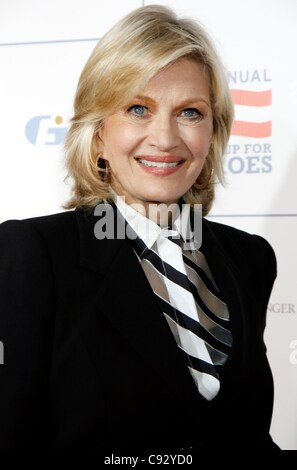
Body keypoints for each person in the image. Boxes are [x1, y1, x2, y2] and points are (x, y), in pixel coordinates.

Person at [0, 4, 280, 451]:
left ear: (214, 131)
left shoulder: (250, 258)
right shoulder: (33, 255)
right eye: (137, 108)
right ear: (97, 134)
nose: (166, 138)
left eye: (190, 112)